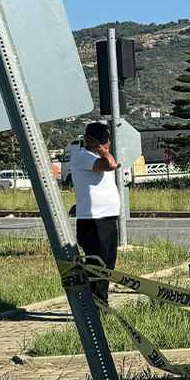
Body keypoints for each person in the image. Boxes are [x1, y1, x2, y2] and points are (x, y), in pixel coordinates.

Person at [70, 122, 120, 303]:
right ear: (100, 141)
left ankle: (101, 301)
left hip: (105, 218)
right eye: (107, 141)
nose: (109, 145)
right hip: (94, 221)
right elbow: (110, 165)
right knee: (97, 265)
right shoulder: (83, 156)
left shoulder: (92, 158)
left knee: (107, 265)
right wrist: (102, 150)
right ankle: (95, 304)